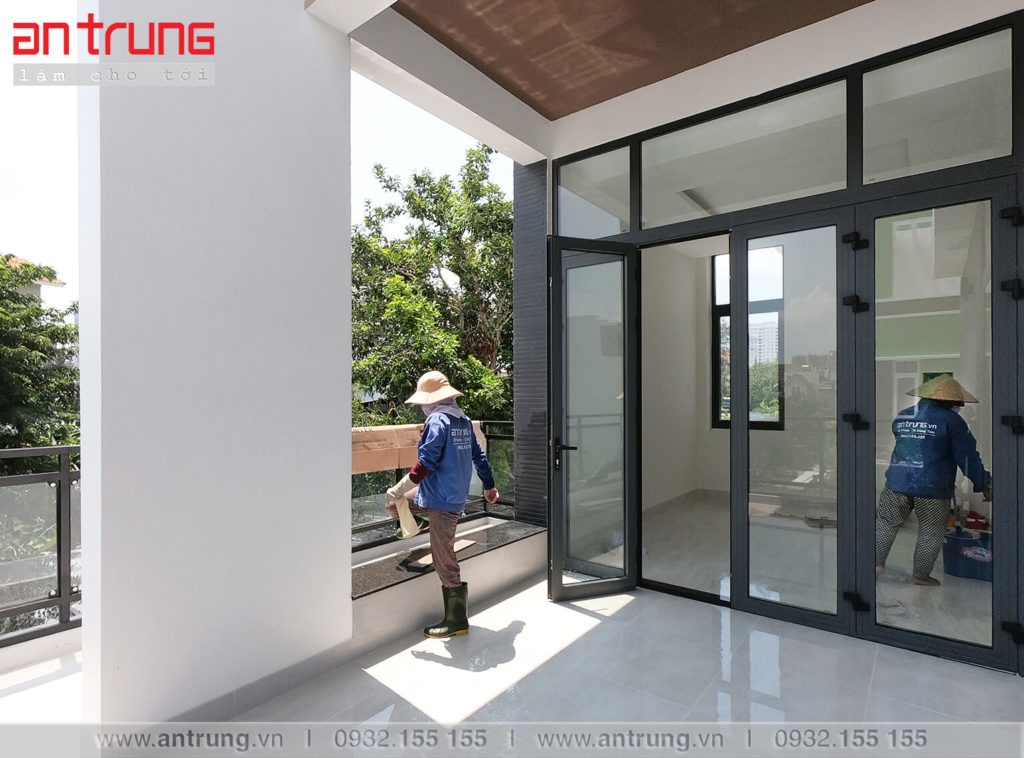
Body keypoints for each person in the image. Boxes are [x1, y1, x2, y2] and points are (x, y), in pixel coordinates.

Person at [385, 370, 499, 637]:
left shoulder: (437, 420)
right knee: (398, 505)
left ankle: (456, 620)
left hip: (441, 501)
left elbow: (427, 462)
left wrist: (398, 488)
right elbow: (479, 457)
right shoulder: (462, 420)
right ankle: (422, 522)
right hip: (445, 494)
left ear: (431, 401)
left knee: (444, 558)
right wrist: (489, 485)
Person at [875, 374, 992, 586]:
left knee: (885, 523)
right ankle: (920, 575)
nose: (958, 408)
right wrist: (983, 482)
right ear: (949, 402)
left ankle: (875, 564)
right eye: (957, 405)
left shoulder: (903, 415)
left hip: (897, 482)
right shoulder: (952, 422)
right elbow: (968, 457)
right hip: (932, 487)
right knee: (931, 530)